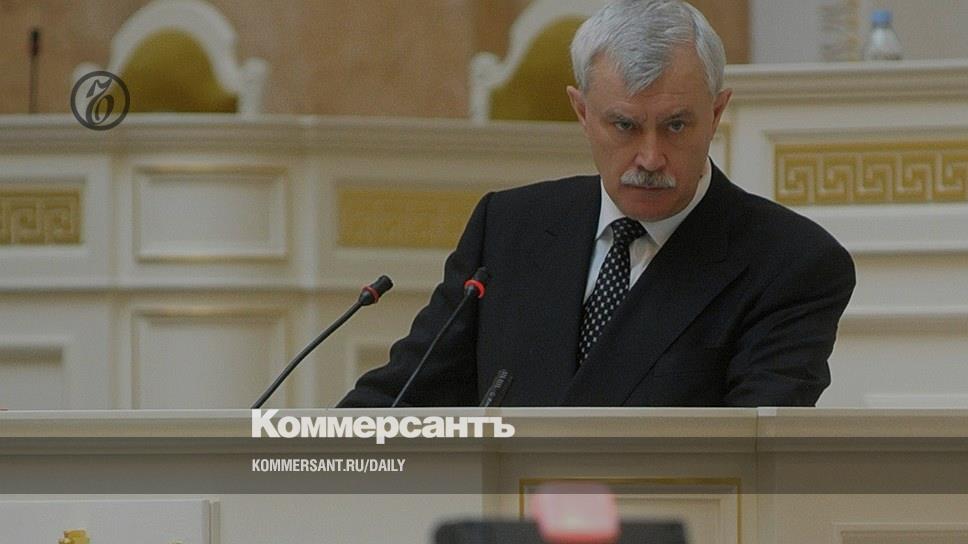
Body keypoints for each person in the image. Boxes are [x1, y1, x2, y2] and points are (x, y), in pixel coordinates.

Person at [338, 0, 855, 408]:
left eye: (676, 125)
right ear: (582, 112)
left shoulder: (791, 262)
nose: (650, 157)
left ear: (717, 113)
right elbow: (401, 399)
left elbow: (753, 458)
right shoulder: (508, 228)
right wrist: (307, 459)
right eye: (624, 125)